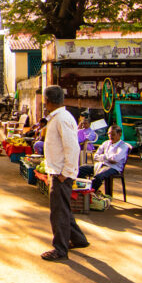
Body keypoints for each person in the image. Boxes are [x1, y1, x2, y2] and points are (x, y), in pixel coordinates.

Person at [41, 85, 89, 262]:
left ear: (48, 101)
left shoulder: (61, 119)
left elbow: (73, 148)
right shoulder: (59, 117)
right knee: (63, 208)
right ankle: (78, 238)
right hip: (58, 169)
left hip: (61, 172)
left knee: (58, 212)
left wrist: (65, 172)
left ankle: (60, 249)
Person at [78, 125, 130, 193]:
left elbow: (115, 159)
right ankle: (83, 190)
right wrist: (107, 157)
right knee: (80, 169)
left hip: (113, 168)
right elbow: (95, 156)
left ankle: (90, 193)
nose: (110, 136)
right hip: (100, 165)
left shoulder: (123, 146)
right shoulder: (106, 143)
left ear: (119, 134)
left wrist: (103, 157)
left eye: (113, 134)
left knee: (98, 177)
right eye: (109, 134)